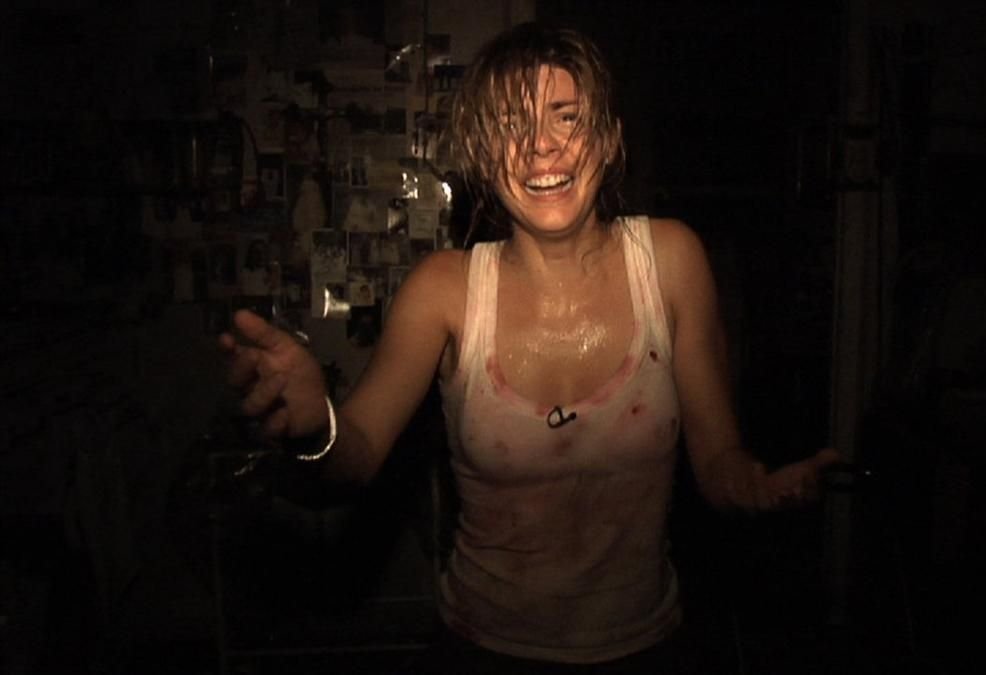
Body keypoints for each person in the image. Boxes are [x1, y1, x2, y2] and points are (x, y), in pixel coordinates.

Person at [218, 22, 840, 674]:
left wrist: (757, 488)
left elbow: (718, 463)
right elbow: (355, 456)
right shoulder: (443, 291)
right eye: (512, 124)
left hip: (646, 645)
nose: (542, 144)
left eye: (567, 117)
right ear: (484, 157)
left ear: (609, 138)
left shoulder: (672, 261)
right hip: (482, 649)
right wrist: (315, 429)